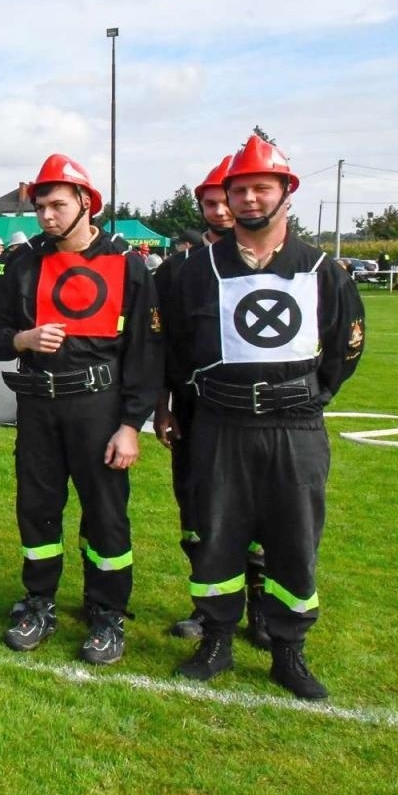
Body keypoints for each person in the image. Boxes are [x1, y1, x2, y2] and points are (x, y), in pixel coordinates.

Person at [162, 131, 365, 699]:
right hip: (221, 426)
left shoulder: (322, 268)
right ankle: (217, 639)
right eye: (241, 189)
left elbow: (346, 344)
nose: (250, 200)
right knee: (217, 535)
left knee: (294, 539)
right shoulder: (194, 269)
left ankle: (288, 650)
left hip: (294, 426)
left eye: (262, 188)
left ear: (286, 193)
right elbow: (174, 344)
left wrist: (311, 396)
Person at [0, 154, 162, 665]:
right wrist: (23, 337)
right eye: (40, 207)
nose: (46, 216)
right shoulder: (24, 262)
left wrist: (130, 425)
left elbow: (146, 354)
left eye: (58, 205)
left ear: (86, 203)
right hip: (39, 405)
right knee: (36, 509)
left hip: (99, 407)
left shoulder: (127, 263)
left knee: (105, 514)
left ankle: (106, 612)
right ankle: (38, 602)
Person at [153, 156, 269, 648]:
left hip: (260, 416)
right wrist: (162, 408)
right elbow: (158, 347)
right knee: (200, 510)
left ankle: (262, 611)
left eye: (226, 201)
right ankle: (208, 609)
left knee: (262, 513)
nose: (220, 211)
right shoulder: (177, 271)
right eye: (210, 203)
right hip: (196, 412)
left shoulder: (273, 263)